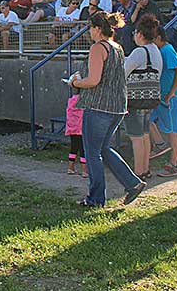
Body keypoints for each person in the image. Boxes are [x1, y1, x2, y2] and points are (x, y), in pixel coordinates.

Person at [69, 11, 146, 207]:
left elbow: (94, 81)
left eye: (90, 28)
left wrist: (76, 82)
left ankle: (95, 199)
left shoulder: (98, 48)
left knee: (92, 152)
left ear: (96, 28)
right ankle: (132, 183)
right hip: (117, 107)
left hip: (98, 107)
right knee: (105, 148)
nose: (89, 32)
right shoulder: (117, 48)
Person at [124, 16, 163, 180]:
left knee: (136, 137)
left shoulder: (139, 52)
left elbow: (122, 73)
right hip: (150, 98)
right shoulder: (156, 50)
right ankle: (145, 169)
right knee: (145, 134)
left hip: (135, 99)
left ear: (139, 34)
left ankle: (138, 173)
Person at [149, 23, 177, 177]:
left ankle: (173, 164)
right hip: (161, 96)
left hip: (171, 97)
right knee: (147, 120)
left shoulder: (167, 50)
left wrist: (171, 93)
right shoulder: (159, 50)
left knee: (173, 129)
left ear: (158, 38)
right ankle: (159, 145)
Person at [65, 90, 88, 177]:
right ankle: (84, 171)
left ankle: (70, 168)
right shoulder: (84, 102)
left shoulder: (70, 101)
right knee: (83, 149)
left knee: (73, 148)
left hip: (72, 128)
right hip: (81, 129)